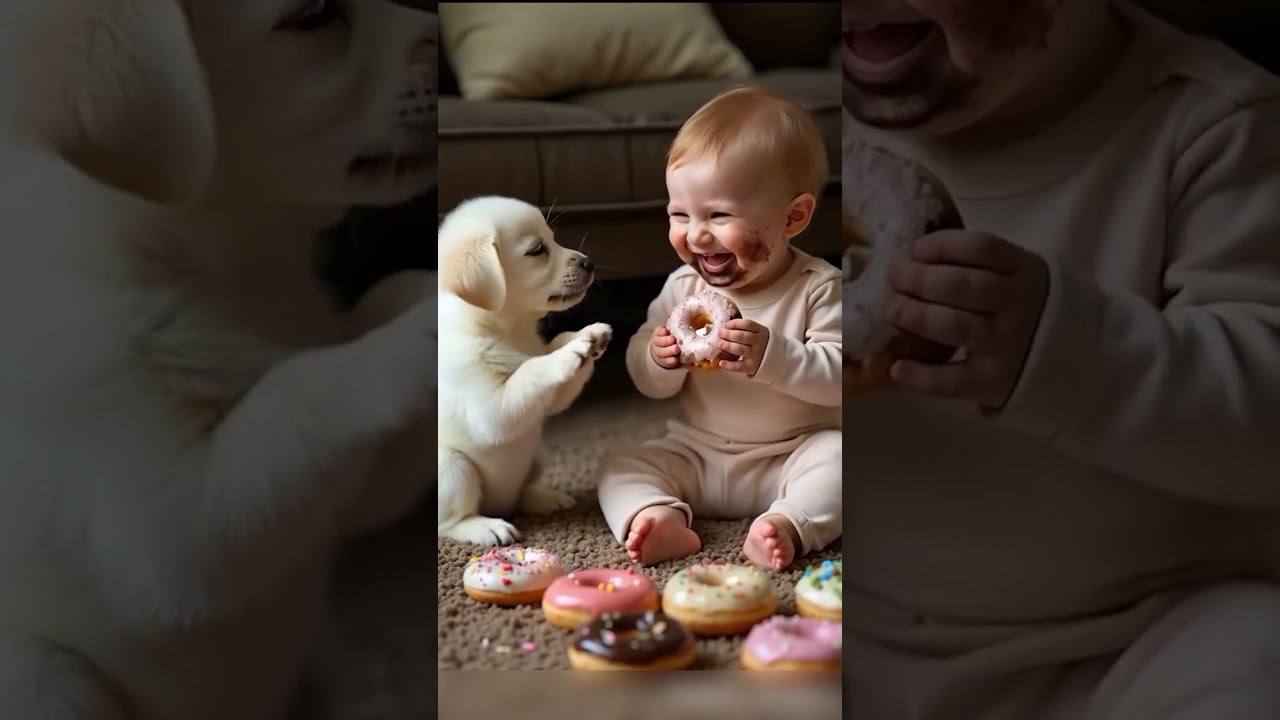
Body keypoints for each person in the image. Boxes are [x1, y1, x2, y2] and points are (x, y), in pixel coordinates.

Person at [842, 0, 1280, 717]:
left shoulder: (1216, 126)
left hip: (1130, 643)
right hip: (857, 625)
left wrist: (1080, 358)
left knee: (1258, 661)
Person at [595, 85, 842, 570]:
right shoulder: (682, 287)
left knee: (848, 460)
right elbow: (646, 381)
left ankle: (787, 525)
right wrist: (657, 358)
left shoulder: (819, 287)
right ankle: (658, 516)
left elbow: (840, 379)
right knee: (618, 465)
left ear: (793, 217)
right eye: (679, 215)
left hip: (793, 454)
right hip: (700, 453)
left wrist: (776, 356)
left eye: (719, 214)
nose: (696, 233)